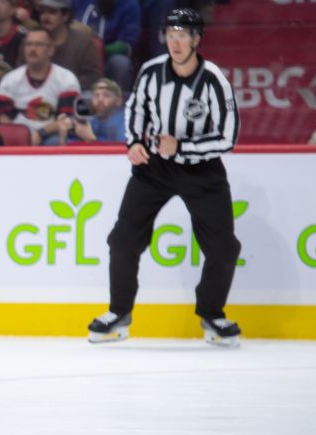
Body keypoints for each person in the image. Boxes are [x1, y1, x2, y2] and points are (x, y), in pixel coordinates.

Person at [87, 9, 242, 347]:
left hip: (202, 169)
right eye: (170, 33)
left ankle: (213, 314)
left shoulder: (214, 78)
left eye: (183, 34)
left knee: (223, 247)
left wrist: (182, 146)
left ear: (196, 40)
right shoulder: (151, 72)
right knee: (123, 239)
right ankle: (119, 312)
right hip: (155, 168)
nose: (175, 41)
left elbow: (228, 136)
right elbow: (137, 110)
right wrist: (135, 142)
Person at [0, 27, 80, 145]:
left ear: (50, 50)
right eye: (29, 44)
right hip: (17, 137)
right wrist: (20, 136)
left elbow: (67, 119)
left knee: (54, 142)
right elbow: (1, 115)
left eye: (39, 45)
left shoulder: (67, 79)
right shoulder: (10, 79)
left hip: (51, 136)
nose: (32, 49)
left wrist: (40, 134)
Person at [73, 0, 141, 93]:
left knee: (121, 63)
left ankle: (117, 104)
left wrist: (98, 50)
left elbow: (127, 45)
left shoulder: (129, 4)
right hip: (78, 54)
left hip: (108, 58)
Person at [39, 0, 102, 90]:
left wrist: (63, 87)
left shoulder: (83, 42)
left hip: (73, 94)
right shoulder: (32, 40)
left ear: (65, 16)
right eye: (42, 12)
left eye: (52, 12)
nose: (45, 17)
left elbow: (92, 77)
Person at [43, 76, 125, 144]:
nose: (100, 99)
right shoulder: (91, 118)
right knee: (52, 141)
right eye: (96, 95)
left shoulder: (124, 123)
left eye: (106, 95)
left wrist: (92, 140)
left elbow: (121, 155)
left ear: (118, 101)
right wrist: (63, 135)